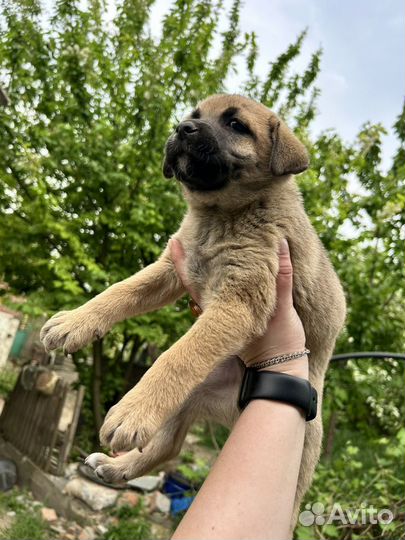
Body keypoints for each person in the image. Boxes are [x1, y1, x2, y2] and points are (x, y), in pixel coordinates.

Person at [170, 238, 308, 540]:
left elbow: (240, 308)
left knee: (184, 386)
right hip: (277, 371)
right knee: (188, 393)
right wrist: (285, 365)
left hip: (276, 363)